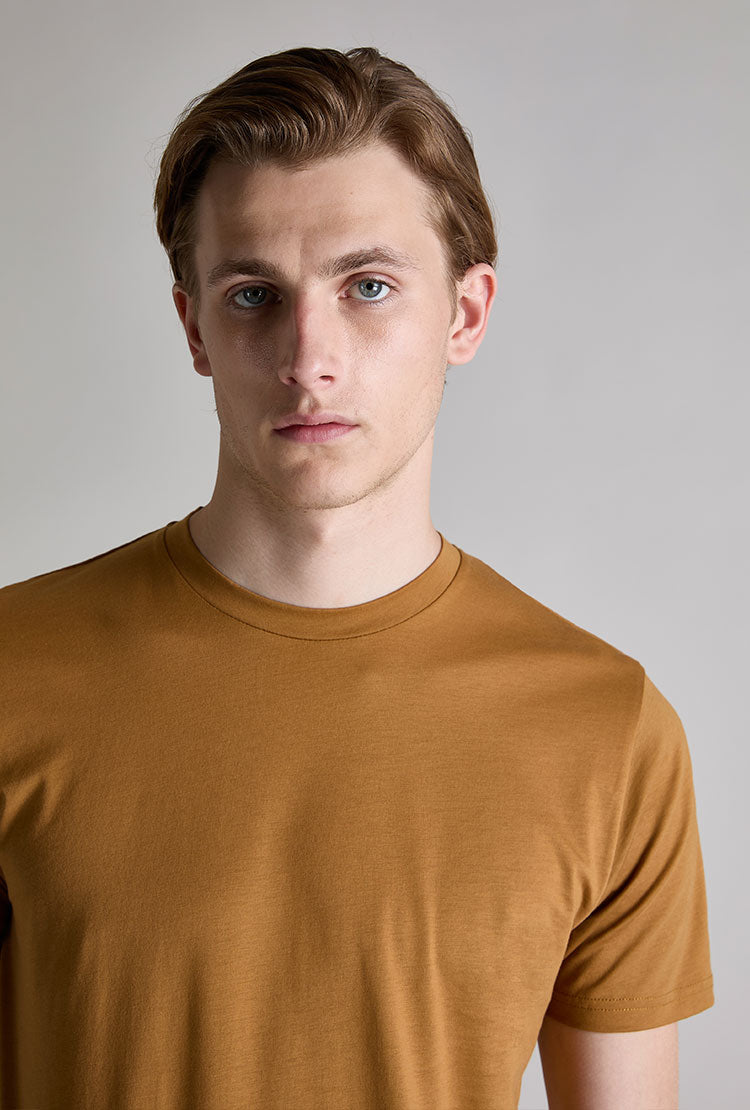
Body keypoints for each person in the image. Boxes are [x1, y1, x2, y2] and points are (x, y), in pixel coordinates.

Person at [0, 45, 713, 1109]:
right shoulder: (14, 672)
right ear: (195, 327)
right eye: (253, 294)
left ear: (465, 314)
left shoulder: (608, 730)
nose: (309, 357)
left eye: (368, 286)